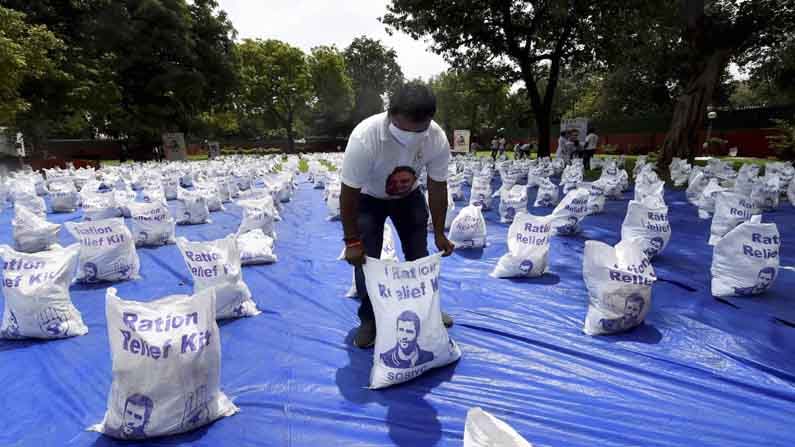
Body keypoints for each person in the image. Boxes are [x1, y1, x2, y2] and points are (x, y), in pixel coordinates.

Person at [340, 82, 455, 349]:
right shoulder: (365, 138)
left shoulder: (436, 138)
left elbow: (438, 185)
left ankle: (427, 312)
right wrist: (351, 241)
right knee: (367, 261)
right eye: (404, 129)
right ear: (390, 114)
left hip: (408, 197)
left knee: (418, 255)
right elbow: (349, 193)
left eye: (420, 130)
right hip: (368, 199)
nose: (412, 136)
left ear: (430, 120)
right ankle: (370, 320)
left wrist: (439, 232)